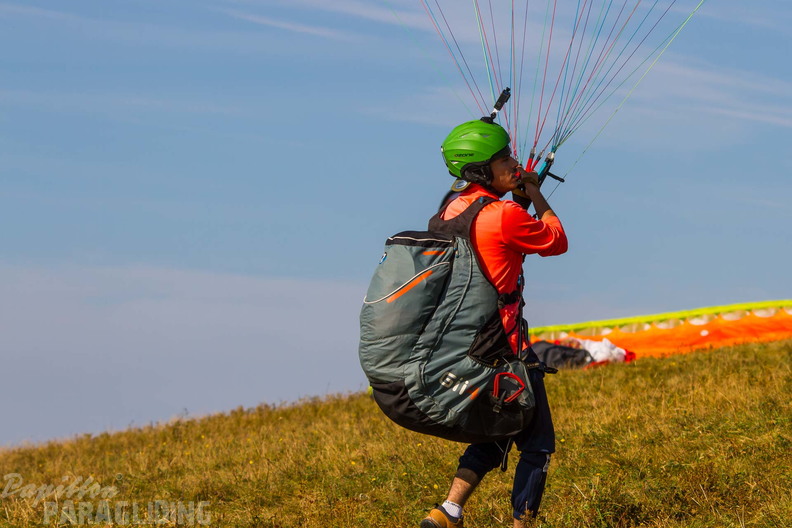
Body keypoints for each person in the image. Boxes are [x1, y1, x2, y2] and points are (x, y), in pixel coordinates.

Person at [421, 118, 568, 528]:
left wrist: (515, 194)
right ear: (483, 170)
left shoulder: (452, 208)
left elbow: (493, 234)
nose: (514, 163)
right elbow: (555, 240)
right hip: (506, 346)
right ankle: (522, 524)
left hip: (465, 343)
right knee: (536, 444)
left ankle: (448, 510)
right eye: (504, 158)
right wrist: (535, 192)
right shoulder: (504, 213)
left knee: (497, 431)